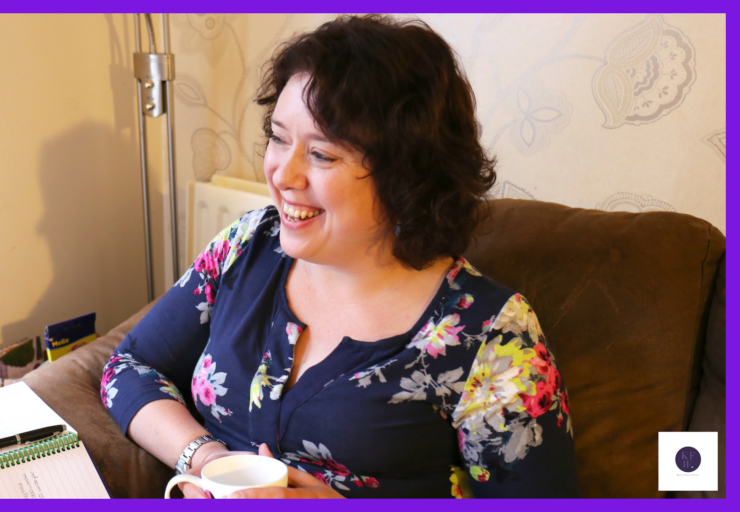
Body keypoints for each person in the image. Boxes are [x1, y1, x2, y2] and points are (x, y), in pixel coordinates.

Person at [102, 14, 580, 498]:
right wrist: (205, 458)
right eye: (279, 137)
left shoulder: (491, 334)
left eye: (322, 154)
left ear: (406, 175)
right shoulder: (247, 245)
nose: (282, 175)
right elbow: (131, 366)